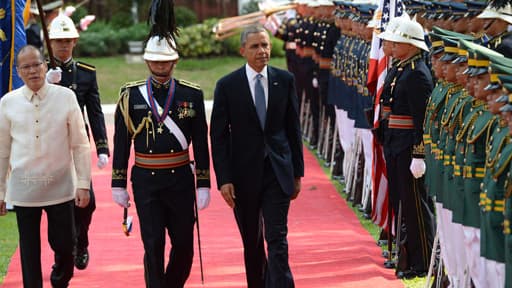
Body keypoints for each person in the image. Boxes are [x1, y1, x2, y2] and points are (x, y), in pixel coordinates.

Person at [111, 35, 211, 287]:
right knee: (153, 245)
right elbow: (122, 140)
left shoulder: (192, 93)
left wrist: (203, 182)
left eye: (165, 61)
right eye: (155, 61)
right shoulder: (130, 94)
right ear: (146, 61)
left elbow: (200, 141)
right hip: (146, 180)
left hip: (180, 179)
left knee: (184, 246)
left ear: (175, 61)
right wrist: (118, 182)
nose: (160, 66)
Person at [210, 25, 304, 288]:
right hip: (243, 175)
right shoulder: (227, 86)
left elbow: (293, 129)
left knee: (277, 238)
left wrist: (297, 173)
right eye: (255, 46)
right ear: (242, 51)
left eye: (265, 45)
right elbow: (218, 136)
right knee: (252, 242)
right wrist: (224, 178)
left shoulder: (284, 80)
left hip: (277, 171)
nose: (262, 51)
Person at [0, 45, 91, 288]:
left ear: (45, 66)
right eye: (26, 67)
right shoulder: (7, 103)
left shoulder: (66, 97)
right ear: (18, 72)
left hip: (60, 187)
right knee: (29, 252)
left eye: (37, 65)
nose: (32, 71)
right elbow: (2, 151)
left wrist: (83, 184)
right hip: (24, 188)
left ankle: (60, 279)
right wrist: (0, 192)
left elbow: (81, 144)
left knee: (64, 243)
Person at [45, 14, 109, 271]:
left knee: (87, 201)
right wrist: (45, 84)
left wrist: (103, 146)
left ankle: (81, 241)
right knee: (57, 204)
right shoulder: (39, 71)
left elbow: (94, 111)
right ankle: (63, 252)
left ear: (74, 42)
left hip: (77, 146)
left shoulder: (85, 73)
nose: (62, 46)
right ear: (50, 44)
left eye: (66, 41)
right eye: (57, 41)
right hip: (50, 146)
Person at [377, 17, 435, 279]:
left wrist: (419, 154)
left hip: (409, 147)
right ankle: (406, 256)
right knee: (402, 203)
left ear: (409, 45)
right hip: (395, 144)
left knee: (415, 208)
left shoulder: (418, 74)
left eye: (395, 40)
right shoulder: (401, 68)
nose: (390, 44)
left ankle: (421, 261)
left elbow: (422, 119)